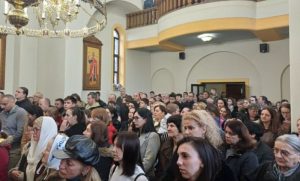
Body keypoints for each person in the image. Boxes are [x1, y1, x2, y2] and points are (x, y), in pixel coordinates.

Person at [9, 116, 58, 181]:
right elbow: (19, 166)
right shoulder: (29, 146)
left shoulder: (52, 152)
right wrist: (13, 172)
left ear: (46, 130)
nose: (33, 132)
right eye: (33, 129)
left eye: (37, 129)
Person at [0, 94, 28, 168]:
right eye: (1, 104)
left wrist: (9, 140)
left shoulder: (21, 112)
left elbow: (21, 131)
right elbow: (2, 129)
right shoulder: (2, 113)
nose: (2, 106)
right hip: (3, 145)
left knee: (9, 171)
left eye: (4, 104)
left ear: (13, 102)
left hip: (15, 149)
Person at [132, 108, 160, 179]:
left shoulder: (153, 136)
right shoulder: (137, 134)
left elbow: (148, 162)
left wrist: (133, 174)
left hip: (144, 176)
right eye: (134, 118)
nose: (134, 120)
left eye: (137, 118)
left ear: (145, 119)